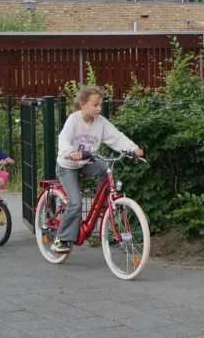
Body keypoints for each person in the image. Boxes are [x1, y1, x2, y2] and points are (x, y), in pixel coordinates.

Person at [53, 85, 143, 253]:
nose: (99, 108)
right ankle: (62, 239)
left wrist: (132, 148)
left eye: (100, 104)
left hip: (87, 162)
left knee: (106, 168)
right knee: (76, 202)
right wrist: (70, 152)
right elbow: (63, 138)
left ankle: (101, 203)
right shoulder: (74, 120)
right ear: (83, 105)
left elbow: (117, 137)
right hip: (68, 165)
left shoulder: (101, 123)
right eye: (95, 105)